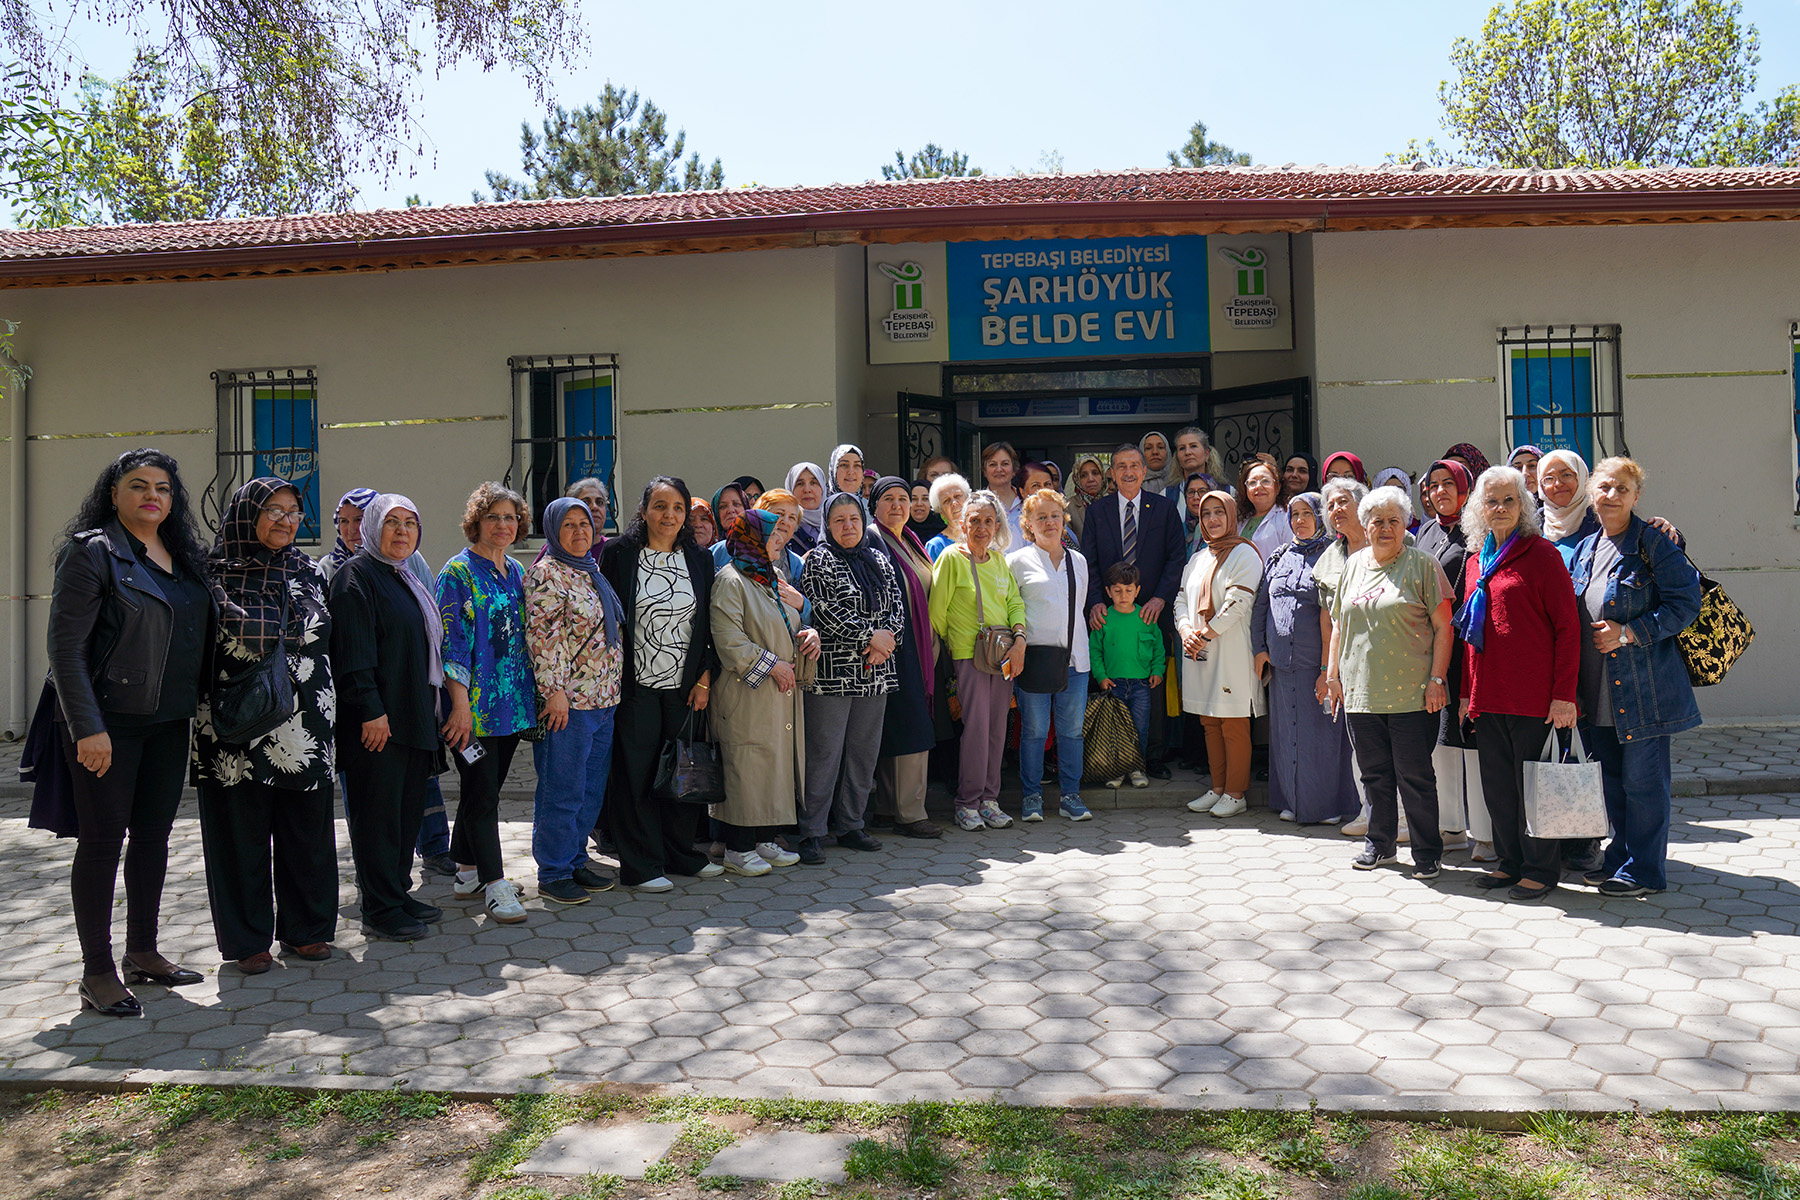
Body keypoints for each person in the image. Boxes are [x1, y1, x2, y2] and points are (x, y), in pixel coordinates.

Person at [49, 448, 216, 1016]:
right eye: (139, 485)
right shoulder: (92, 554)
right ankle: (96, 971)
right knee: (101, 844)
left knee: (153, 838)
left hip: (169, 721)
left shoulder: (184, 556)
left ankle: (142, 953)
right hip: (109, 725)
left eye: (164, 488)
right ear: (113, 494)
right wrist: (87, 728)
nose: (153, 495)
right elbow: (66, 650)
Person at [194, 477, 339, 974]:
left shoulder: (308, 570)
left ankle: (307, 930)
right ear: (245, 513)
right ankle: (246, 940)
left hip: (307, 721)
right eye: (272, 510)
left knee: (307, 831)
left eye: (294, 511)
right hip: (236, 724)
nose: (285, 520)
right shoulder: (213, 573)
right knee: (240, 833)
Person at [1570, 457, 1702, 897]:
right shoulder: (1589, 547)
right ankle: (1620, 858)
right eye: (1604, 487)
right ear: (1591, 492)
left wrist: (1628, 633)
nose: (1611, 496)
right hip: (1597, 690)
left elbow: (1686, 603)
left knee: (1644, 785)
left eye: (1622, 489)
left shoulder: (1653, 542)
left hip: (1643, 691)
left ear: (1636, 496)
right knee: (1612, 783)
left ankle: (1645, 871)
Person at [1455, 467, 1581, 902]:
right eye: (1492, 501)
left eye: (1510, 500)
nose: (1501, 508)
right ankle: (1509, 863)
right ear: (1479, 508)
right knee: (1499, 790)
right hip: (1488, 698)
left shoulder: (1541, 554)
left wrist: (1564, 695)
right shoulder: (1475, 561)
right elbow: (1470, 637)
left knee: (1534, 788)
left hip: (1535, 699)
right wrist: (1467, 693)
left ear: (1524, 506)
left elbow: (1568, 628)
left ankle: (1541, 870)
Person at [599, 477, 727, 892]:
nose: (668, 515)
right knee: (636, 774)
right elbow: (609, 618)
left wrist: (705, 677)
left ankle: (681, 854)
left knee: (681, 770)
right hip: (635, 686)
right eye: (659, 506)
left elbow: (708, 622)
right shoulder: (619, 553)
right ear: (643, 510)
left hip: (684, 685)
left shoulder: (699, 557)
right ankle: (641, 865)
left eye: (676, 507)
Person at [329, 493, 445, 943]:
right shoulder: (354, 577)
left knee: (404, 814)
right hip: (377, 724)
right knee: (377, 817)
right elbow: (353, 656)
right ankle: (379, 907)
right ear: (373, 527)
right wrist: (371, 711)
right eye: (391, 522)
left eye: (410, 523)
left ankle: (398, 892)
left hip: (414, 717)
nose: (401, 531)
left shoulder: (403, 577)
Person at [1325, 486, 1454, 880]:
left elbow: (1444, 628)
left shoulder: (1422, 565)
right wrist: (1333, 677)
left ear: (1405, 525)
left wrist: (1437, 679)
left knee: (1415, 776)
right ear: (1365, 526)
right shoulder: (1353, 565)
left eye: (1393, 520)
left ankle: (1427, 852)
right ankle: (1379, 845)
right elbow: (1338, 625)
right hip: (1361, 692)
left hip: (1414, 694)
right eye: (1377, 521)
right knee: (1374, 774)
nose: (1384, 528)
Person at [436, 482, 538, 925]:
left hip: (511, 707)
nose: (503, 525)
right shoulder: (456, 573)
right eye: (494, 516)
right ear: (476, 521)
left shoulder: (515, 571)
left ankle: (466, 872)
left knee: (487, 791)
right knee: (482, 794)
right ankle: (494, 886)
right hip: (472, 711)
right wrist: (458, 707)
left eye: (511, 517)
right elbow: (451, 645)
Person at [524, 497, 626, 904]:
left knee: (589, 788)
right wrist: (555, 694)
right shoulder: (547, 574)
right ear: (552, 531)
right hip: (568, 705)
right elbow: (543, 639)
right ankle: (553, 871)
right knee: (561, 789)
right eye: (568, 524)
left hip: (603, 699)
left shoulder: (588, 570)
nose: (580, 531)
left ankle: (575, 858)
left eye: (584, 523)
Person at [797, 493, 904, 862]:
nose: (848, 526)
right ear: (828, 524)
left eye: (854, 519)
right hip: (833, 676)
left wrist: (884, 644)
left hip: (876, 672)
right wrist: (869, 637)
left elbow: (897, 610)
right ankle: (811, 830)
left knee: (863, 753)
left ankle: (851, 824)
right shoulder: (819, 561)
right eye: (839, 520)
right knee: (824, 753)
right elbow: (824, 612)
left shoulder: (879, 558)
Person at [712, 508, 818, 873]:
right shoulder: (731, 580)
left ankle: (765, 839)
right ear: (753, 539)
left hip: (777, 692)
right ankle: (738, 849)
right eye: (773, 535)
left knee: (773, 764)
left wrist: (808, 633)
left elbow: (788, 621)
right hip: (748, 691)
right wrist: (770, 664)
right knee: (748, 764)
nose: (781, 541)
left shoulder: (764, 577)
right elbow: (727, 638)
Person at [1251, 493, 1360, 826]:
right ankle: (1290, 800)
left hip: (1318, 665)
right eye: (1294, 514)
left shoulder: (1333, 555)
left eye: (1306, 514)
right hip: (1282, 666)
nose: (1299, 520)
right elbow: (1260, 607)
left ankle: (1326, 806)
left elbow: (1336, 615)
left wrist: (1329, 668)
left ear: (1319, 517)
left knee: (1323, 739)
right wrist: (1259, 649)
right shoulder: (1279, 556)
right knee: (1285, 738)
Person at [1078, 444, 1184, 779]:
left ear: (1143, 470)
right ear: (1113, 473)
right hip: (1110, 616)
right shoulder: (1098, 512)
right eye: (1121, 466)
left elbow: (1176, 558)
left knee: (1150, 686)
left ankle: (1151, 757)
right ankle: (1113, 757)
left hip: (1151, 614)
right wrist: (1096, 600)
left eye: (1134, 465)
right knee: (1112, 685)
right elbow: (1089, 562)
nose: (1128, 472)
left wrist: (1160, 600)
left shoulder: (1165, 509)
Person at [930, 489, 1027, 831]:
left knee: (997, 729)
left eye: (988, 521)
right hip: (970, 655)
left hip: (1002, 655)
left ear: (997, 524)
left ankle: (989, 800)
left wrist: (1019, 637)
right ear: (962, 523)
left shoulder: (1000, 560)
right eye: (974, 521)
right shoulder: (952, 559)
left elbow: (1014, 601)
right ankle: (966, 802)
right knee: (976, 729)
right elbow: (936, 613)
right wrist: (958, 643)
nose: (982, 527)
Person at [1176, 491, 1265, 818]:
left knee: (1233, 721)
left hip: (1231, 650)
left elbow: (1238, 604)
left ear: (1230, 516)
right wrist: (1186, 630)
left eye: (1219, 512)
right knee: (1209, 721)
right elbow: (1181, 599)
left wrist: (1204, 634)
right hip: (1199, 648)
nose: (1212, 520)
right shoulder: (1199, 557)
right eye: (1206, 514)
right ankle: (1217, 787)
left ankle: (1235, 792)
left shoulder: (1245, 553)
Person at [1008, 488, 1092, 822]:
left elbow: (1080, 607)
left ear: (1064, 519)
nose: (1049, 522)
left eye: (1054, 515)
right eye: (1040, 516)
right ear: (1028, 523)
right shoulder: (1016, 561)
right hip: (1032, 662)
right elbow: (1012, 610)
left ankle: (1071, 796)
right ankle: (1031, 797)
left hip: (1075, 660)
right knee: (1034, 731)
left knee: (1071, 731)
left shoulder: (1079, 560)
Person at [1416, 459, 1486, 859]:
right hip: (1431, 652)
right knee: (1441, 743)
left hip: (1468, 650)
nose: (1440, 491)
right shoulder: (1426, 531)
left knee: (1473, 743)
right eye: (1434, 484)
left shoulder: (1476, 533)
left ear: (1465, 489)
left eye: (1449, 484)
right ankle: (1451, 826)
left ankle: (1488, 834)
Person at [868, 477, 944, 840]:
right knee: (907, 726)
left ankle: (889, 808)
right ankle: (909, 812)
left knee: (901, 724)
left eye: (903, 498)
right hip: (894, 647)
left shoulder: (909, 539)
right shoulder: (872, 538)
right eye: (888, 499)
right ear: (874, 505)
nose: (898, 505)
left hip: (917, 646)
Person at [1314, 477, 1377, 839]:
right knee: (1360, 743)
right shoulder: (1329, 558)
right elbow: (1328, 620)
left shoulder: (1393, 541)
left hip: (1392, 655)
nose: (1337, 510)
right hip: (1349, 662)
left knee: (1399, 746)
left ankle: (1402, 817)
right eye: (1331, 505)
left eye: (1343, 502)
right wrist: (1328, 670)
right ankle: (1369, 812)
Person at [1089, 561, 1163, 789]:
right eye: (1118, 590)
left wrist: (1157, 671)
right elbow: (1095, 651)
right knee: (1115, 728)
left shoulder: (1146, 618)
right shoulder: (1104, 619)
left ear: (1137, 591)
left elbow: (1159, 649)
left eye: (1129, 590)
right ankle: (1117, 769)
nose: (1123, 595)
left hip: (1141, 685)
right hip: (1113, 685)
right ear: (1108, 592)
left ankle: (1136, 768)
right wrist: (1101, 677)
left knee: (1139, 727)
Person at [1236, 456, 1292, 562]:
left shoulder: (1286, 517)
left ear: (1278, 487)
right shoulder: (1243, 519)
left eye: (1265, 481)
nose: (1258, 486)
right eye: (1252, 482)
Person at [980, 441, 1024, 546]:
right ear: (985, 471)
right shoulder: (976, 505)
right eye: (993, 464)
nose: (999, 469)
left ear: (1014, 470)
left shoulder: (1026, 502)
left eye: (1005, 464)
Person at [925, 472, 971, 561]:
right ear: (941, 511)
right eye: (946, 500)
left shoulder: (982, 537)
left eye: (957, 496)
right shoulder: (936, 546)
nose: (954, 503)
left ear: (968, 499)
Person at [784, 461, 826, 553]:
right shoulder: (783, 530)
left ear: (823, 489)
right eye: (800, 484)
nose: (807, 490)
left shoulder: (836, 526)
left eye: (813, 482)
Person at [1064, 452, 1108, 537]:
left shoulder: (1112, 502)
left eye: (1095, 473)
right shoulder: (1069, 507)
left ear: (1102, 476)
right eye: (1084, 475)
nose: (1090, 479)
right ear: (1077, 480)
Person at [1172, 426, 1223, 493]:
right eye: (1182, 448)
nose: (1187, 452)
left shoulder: (1228, 491)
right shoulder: (1167, 494)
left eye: (1193, 446)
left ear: (1206, 454)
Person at [1180, 472, 1212, 558]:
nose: (1196, 497)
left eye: (1202, 491)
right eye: (1191, 492)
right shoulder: (1179, 530)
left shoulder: (1220, 527)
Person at [1139, 431, 1178, 496]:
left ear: (1167, 452)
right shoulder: (1133, 485)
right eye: (1148, 448)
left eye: (1160, 447)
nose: (1155, 452)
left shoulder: (1179, 483)